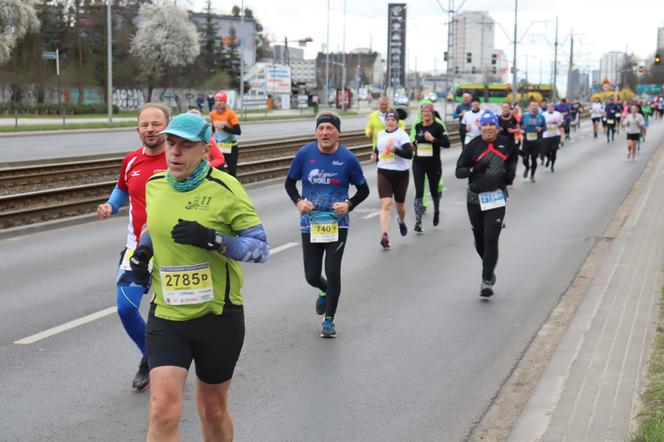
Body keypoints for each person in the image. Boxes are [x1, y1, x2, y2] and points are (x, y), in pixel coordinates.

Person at [129, 112, 269, 441]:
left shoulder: (225, 188)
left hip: (218, 315)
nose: (175, 152)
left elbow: (261, 248)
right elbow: (153, 226)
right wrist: (143, 252)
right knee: (162, 408)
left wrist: (214, 240)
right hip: (167, 314)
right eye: (171, 143)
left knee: (211, 409)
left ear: (205, 150)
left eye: (186, 145)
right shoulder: (155, 185)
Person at [96, 103, 171, 391]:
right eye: (145, 125)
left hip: (171, 249)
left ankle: (167, 360)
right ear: (137, 129)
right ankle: (151, 358)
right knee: (126, 308)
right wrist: (110, 205)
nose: (150, 129)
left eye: (156, 124)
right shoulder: (131, 160)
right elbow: (123, 189)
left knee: (168, 312)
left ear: (166, 126)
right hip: (135, 248)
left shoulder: (177, 158)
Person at [285, 112, 370, 338]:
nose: (325, 132)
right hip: (310, 223)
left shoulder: (348, 159)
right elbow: (290, 183)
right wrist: (298, 201)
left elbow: (364, 190)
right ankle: (322, 288)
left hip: (337, 223)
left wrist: (349, 205)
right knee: (312, 275)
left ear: (337, 132)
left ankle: (329, 321)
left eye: (329, 128)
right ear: (316, 132)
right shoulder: (305, 154)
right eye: (321, 128)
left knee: (333, 271)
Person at [455, 109, 518, 297]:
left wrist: (509, 176)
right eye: (485, 124)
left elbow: (512, 163)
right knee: (480, 239)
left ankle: (486, 280)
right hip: (475, 198)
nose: (488, 128)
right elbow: (459, 172)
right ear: (480, 126)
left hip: (496, 197)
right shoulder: (473, 146)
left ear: (497, 128)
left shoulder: (506, 144)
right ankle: (489, 268)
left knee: (491, 237)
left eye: (492, 124)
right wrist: (475, 168)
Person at [370, 109, 413, 248]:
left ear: (397, 121)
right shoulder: (380, 134)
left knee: (399, 206)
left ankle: (401, 220)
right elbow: (378, 150)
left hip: (400, 174)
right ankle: (384, 234)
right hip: (384, 172)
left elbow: (409, 154)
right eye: (388, 120)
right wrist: (374, 155)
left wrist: (395, 149)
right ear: (385, 121)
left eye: (393, 120)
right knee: (386, 204)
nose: (390, 122)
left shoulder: (402, 135)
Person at [410, 103, 450, 232]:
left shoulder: (438, 127)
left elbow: (447, 143)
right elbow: (415, 140)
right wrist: (414, 144)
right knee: (419, 191)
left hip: (433, 164)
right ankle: (418, 222)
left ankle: (436, 212)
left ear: (432, 113)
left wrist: (433, 140)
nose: (426, 114)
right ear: (421, 114)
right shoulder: (418, 126)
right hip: (418, 163)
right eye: (424, 112)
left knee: (433, 190)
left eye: (428, 112)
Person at [209, 90, 241, 177]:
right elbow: (213, 127)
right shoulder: (212, 114)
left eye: (221, 101)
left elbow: (238, 131)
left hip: (231, 146)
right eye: (216, 100)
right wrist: (210, 137)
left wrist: (224, 127)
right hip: (219, 147)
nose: (218, 103)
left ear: (225, 101)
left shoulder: (230, 114)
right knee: (218, 171)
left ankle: (232, 189)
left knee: (232, 172)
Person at [520, 100, 546, 183]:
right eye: (532, 106)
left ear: (538, 107)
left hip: (536, 141)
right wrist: (521, 130)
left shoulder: (541, 117)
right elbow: (519, 125)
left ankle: (532, 175)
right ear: (529, 107)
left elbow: (545, 127)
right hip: (526, 141)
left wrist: (541, 129)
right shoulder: (524, 116)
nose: (534, 107)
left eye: (536, 106)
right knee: (525, 158)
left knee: (534, 159)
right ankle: (527, 167)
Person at [542, 103, 564, 172]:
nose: (551, 108)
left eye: (552, 107)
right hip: (546, 135)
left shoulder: (558, 114)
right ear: (547, 108)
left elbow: (561, 124)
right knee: (544, 151)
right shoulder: (543, 114)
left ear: (554, 108)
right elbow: (541, 124)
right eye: (549, 107)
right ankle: (549, 158)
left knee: (554, 151)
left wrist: (558, 123)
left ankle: (552, 166)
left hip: (555, 135)